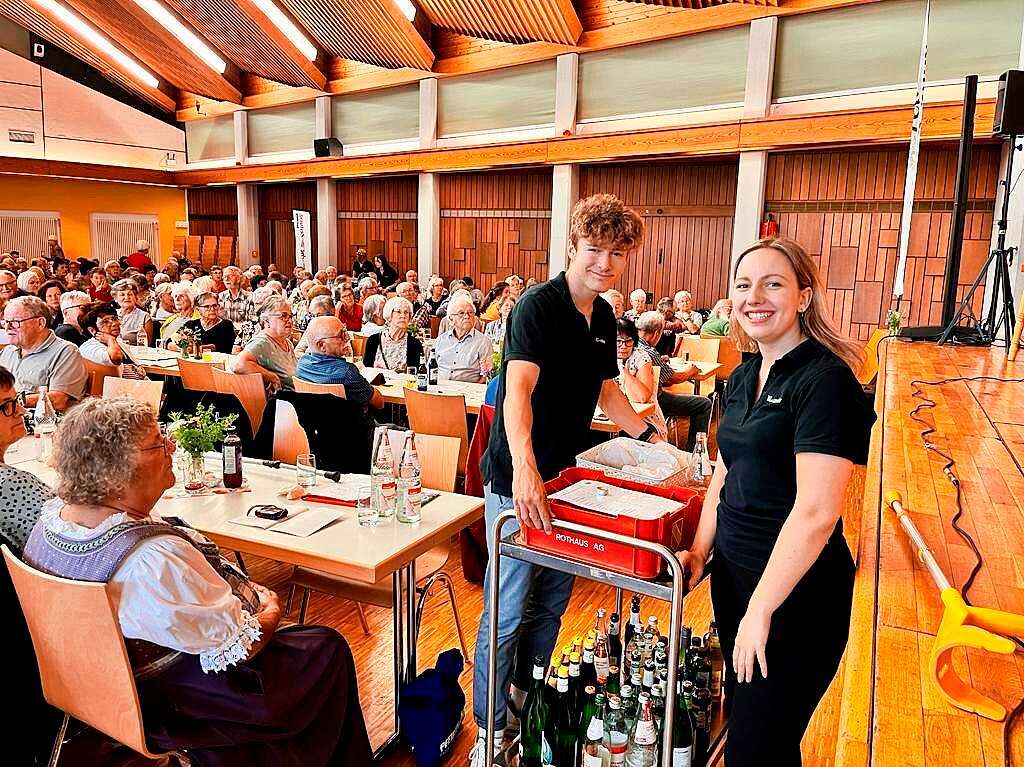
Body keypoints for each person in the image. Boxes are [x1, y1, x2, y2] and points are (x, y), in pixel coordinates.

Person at [21, 397, 374, 766]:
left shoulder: (52, 525)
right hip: (172, 702)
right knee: (325, 647)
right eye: (159, 443)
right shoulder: (151, 560)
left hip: (94, 690)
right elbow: (241, 647)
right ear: (115, 472)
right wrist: (269, 610)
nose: (172, 446)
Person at [472, 194, 664, 766]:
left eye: (616, 253)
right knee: (506, 609)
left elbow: (608, 392)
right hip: (517, 481)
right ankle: (489, 726)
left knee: (551, 605)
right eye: (595, 250)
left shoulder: (603, 316)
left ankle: (527, 699)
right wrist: (526, 471)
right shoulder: (537, 307)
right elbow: (518, 393)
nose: (604, 263)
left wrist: (652, 442)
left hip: (567, 482)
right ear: (573, 249)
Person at [676, 237, 875, 767]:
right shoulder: (742, 375)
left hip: (796, 596)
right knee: (759, 736)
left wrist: (762, 609)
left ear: (804, 296)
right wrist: (699, 550)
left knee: (753, 749)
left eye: (773, 283)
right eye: (744, 285)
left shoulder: (826, 382)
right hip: (735, 579)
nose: (754, 296)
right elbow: (724, 470)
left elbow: (816, 513)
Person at [635, 310, 710, 452]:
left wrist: (660, 360)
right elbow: (673, 379)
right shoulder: (649, 352)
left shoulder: (633, 345)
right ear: (657, 333)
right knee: (704, 404)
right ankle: (694, 452)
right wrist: (692, 370)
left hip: (634, 401)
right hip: (653, 402)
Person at [0, 365, 55, 550]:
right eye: (8, 405)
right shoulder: (11, 484)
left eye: (16, 400)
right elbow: (67, 544)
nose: (22, 411)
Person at [0, 296, 86, 411]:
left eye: (15, 322)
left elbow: (59, 400)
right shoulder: (8, 351)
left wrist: (11, 401)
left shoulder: (65, 352)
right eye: (6, 322)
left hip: (41, 424)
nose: (8, 328)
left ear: (40, 323)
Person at [297, 317, 384, 411]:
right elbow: (379, 403)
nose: (348, 338)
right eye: (341, 335)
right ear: (321, 345)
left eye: (345, 331)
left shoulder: (302, 364)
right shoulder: (346, 372)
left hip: (311, 423)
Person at [231, 295, 297, 393]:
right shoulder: (262, 342)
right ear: (266, 320)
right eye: (283, 316)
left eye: (290, 316)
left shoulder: (287, 342)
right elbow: (238, 364)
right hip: (285, 402)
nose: (289, 320)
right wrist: (271, 376)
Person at [615, 317, 667, 439]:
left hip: (644, 419)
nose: (623, 346)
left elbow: (641, 398)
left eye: (628, 341)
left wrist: (622, 368)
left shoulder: (640, 357)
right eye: (618, 341)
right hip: (612, 416)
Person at [433, 293, 491, 383]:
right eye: (461, 313)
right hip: (439, 389)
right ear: (451, 319)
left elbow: (486, 375)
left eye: (470, 313)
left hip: (468, 392)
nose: (467, 316)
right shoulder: (440, 341)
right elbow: (431, 367)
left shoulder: (483, 342)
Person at [79, 304, 146, 379]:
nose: (115, 324)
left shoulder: (118, 342)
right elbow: (116, 358)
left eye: (114, 319)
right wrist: (110, 340)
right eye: (105, 322)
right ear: (92, 330)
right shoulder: (90, 347)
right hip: (118, 389)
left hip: (138, 385)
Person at [362, 296, 423, 372]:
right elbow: (367, 370)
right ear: (389, 315)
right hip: (377, 383)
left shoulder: (414, 344)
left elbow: (416, 373)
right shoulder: (373, 340)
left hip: (403, 383)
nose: (403, 316)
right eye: (398, 311)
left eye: (406, 312)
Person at [112, 279, 153, 346]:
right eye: (122, 295)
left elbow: (146, 344)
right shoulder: (110, 315)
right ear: (115, 298)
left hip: (134, 354)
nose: (126, 297)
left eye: (130, 294)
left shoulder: (144, 317)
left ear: (135, 297)